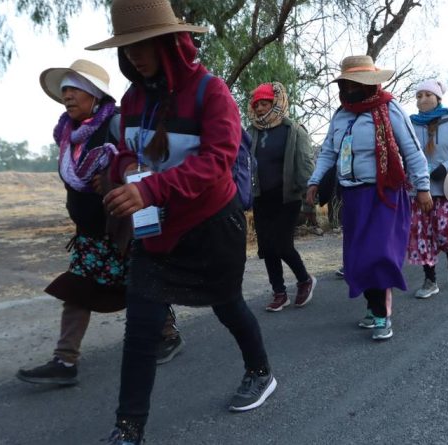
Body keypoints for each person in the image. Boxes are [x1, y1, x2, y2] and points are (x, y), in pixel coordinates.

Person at [87, 1, 276, 442]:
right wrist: (128, 171)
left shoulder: (210, 92)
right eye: (126, 46)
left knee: (227, 305)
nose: (133, 54)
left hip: (212, 225)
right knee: (141, 326)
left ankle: (260, 371)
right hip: (156, 230)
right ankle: (128, 429)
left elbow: (218, 161)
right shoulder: (133, 100)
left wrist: (149, 189)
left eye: (142, 43)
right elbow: (130, 150)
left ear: (171, 42)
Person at [16, 60, 183, 388]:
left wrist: (112, 179)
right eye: (64, 90)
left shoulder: (117, 123)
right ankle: (65, 361)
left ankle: (168, 333)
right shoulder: (67, 135)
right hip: (90, 232)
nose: (67, 96)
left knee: (141, 284)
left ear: (94, 95)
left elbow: (141, 164)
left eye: (75, 89)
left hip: (121, 227)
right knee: (78, 288)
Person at [305, 55, 432, 340]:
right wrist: (314, 181)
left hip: (385, 194)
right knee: (358, 258)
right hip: (352, 194)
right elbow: (328, 151)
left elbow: (412, 150)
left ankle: (382, 314)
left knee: (379, 254)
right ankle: (373, 308)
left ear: (369, 84)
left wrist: (422, 188)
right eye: (346, 83)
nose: (349, 88)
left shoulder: (389, 109)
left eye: (355, 83)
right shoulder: (341, 114)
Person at [246, 82, 317, 312]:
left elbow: (305, 164)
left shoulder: (293, 130)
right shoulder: (251, 132)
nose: (259, 109)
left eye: (264, 103)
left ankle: (305, 280)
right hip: (261, 197)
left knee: (283, 244)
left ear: (275, 103)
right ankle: (279, 292)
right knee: (267, 247)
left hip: (287, 197)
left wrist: (309, 200)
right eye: (256, 104)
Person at [406, 79, 448, 299]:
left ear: (437, 98)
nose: (422, 99)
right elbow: (405, 153)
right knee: (423, 235)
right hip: (418, 189)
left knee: (445, 233)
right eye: (418, 96)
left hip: (445, 188)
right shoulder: (411, 124)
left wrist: (446, 167)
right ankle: (430, 280)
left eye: (427, 95)